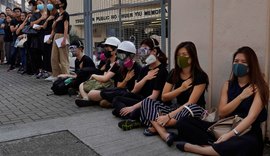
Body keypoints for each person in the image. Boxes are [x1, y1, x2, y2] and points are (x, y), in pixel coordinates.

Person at [175, 46, 269, 156]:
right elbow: (222, 112)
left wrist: (230, 135)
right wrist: (241, 97)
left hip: (247, 131)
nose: (239, 64)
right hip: (225, 126)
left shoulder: (260, 87)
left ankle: (201, 149)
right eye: (236, 61)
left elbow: (251, 117)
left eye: (244, 62)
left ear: (252, 65)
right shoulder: (227, 85)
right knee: (183, 122)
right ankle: (218, 147)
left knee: (248, 144)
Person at [138, 41, 209, 146]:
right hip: (176, 108)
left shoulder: (200, 76)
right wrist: (181, 89)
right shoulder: (173, 73)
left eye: (184, 55)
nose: (181, 57)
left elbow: (190, 103)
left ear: (192, 57)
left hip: (193, 109)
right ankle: (164, 134)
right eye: (178, 55)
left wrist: (167, 116)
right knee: (147, 102)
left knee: (190, 109)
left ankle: (156, 125)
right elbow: (164, 97)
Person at [115, 38, 168, 129]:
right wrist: (146, 78)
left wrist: (132, 107)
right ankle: (134, 117)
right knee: (117, 99)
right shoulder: (144, 69)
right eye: (141, 50)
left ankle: (133, 117)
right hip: (141, 99)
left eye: (145, 49)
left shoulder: (162, 70)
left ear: (154, 51)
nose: (143, 53)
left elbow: (154, 97)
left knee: (128, 111)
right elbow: (135, 90)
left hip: (152, 103)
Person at [91, 41, 142, 108]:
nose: (121, 59)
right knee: (103, 101)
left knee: (102, 99)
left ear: (131, 56)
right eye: (119, 55)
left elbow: (135, 90)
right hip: (121, 91)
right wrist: (126, 79)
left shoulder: (138, 68)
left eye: (123, 55)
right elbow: (119, 86)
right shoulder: (121, 67)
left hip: (130, 94)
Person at [75, 36, 121, 107]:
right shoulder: (108, 62)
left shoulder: (117, 63)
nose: (105, 50)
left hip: (111, 87)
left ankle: (92, 98)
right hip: (105, 85)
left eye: (107, 48)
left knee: (93, 94)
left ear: (115, 50)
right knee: (82, 85)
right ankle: (86, 99)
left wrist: (93, 76)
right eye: (105, 48)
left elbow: (105, 78)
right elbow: (103, 75)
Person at [45, 0, 69, 81]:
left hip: (62, 35)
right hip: (56, 35)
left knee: (63, 58)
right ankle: (56, 75)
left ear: (62, 4)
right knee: (54, 57)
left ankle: (66, 76)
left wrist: (64, 40)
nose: (56, 3)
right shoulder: (57, 15)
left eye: (58, 1)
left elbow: (66, 27)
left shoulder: (65, 14)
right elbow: (53, 27)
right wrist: (57, 20)